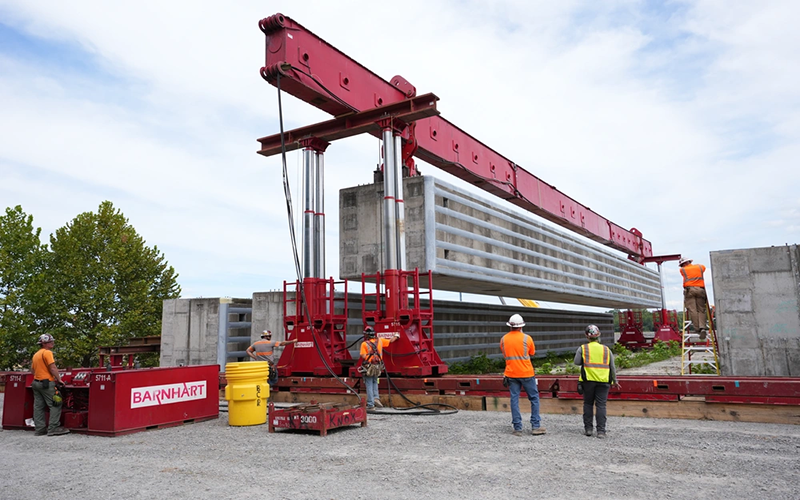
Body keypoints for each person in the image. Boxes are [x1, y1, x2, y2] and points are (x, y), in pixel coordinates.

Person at [499, 314, 545, 436]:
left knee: (514, 399)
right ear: (521, 326)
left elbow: (505, 355)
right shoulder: (527, 338)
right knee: (534, 398)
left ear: (509, 326)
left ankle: (517, 428)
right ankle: (535, 426)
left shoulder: (503, 339)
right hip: (526, 373)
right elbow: (532, 352)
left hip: (511, 373)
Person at [574, 325, 621, 439]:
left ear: (587, 336)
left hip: (588, 381)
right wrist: (615, 381)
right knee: (601, 405)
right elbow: (612, 367)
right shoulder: (606, 349)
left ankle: (588, 429)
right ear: (598, 335)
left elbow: (576, 362)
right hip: (604, 381)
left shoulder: (583, 348)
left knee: (588, 404)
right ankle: (601, 431)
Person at [30, 333, 69, 436]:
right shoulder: (47, 353)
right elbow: (52, 368)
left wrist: (39, 376)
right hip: (46, 383)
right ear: (44, 344)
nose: (52, 343)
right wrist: (59, 379)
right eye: (50, 342)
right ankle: (53, 428)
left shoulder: (36, 354)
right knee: (56, 404)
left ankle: (40, 429)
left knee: (38, 406)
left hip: (36, 383)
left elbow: (32, 370)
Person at [359, 326, 400, 410]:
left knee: (369, 384)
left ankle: (371, 405)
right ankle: (376, 398)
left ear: (367, 335)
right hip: (378, 366)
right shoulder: (380, 341)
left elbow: (363, 355)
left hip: (369, 367)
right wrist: (396, 336)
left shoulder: (364, 344)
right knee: (375, 382)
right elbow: (391, 341)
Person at [679, 257, 709, 339]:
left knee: (693, 310)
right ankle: (702, 327)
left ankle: (698, 329)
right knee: (701, 310)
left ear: (684, 264)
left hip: (690, 291)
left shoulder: (683, 270)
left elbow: (685, 272)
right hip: (700, 290)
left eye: (682, 265)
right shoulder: (700, 267)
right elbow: (703, 268)